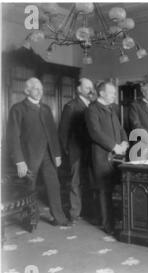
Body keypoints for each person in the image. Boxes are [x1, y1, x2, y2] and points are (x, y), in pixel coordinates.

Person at [6, 78, 70, 226]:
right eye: (36, 89)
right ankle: (29, 220)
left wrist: (57, 154)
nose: (40, 92)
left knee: (54, 185)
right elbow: (13, 137)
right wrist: (19, 161)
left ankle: (59, 218)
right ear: (27, 91)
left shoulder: (46, 109)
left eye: (41, 89)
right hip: (29, 156)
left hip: (48, 155)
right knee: (29, 188)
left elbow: (53, 133)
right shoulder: (18, 108)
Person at [85, 82, 129, 234]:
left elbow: (121, 128)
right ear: (102, 93)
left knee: (115, 187)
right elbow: (95, 133)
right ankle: (108, 225)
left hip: (117, 156)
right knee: (105, 190)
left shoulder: (111, 109)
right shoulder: (92, 109)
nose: (114, 95)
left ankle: (114, 219)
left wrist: (124, 141)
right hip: (102, 156)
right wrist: (114, 146)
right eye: (111, 93)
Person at [59, 78, 94, 223]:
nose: (91, 91)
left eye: (91, 88)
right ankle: (74, 213)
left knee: (88, 180)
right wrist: (67, 150)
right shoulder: (71, 106)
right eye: (87, 88)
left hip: (89, 149)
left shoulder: (92, 106)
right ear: (79, 89)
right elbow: (63, 131)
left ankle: (87, 211)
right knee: (75, 182)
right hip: (76, 150)